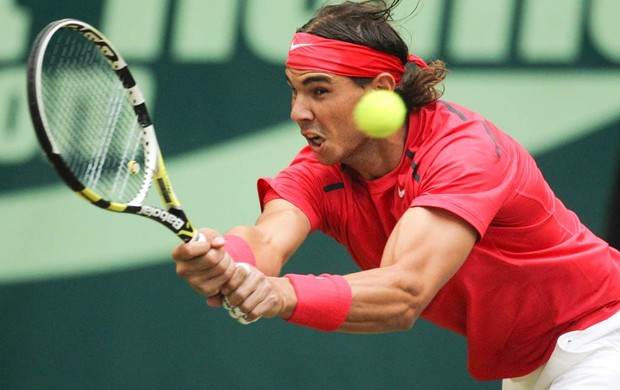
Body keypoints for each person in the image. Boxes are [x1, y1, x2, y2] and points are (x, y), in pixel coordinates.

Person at [171, 0, 620, 387]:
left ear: (381, 90)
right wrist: (226, 261)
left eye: (319, 91)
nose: (297, 112)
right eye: (294, 91)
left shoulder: (465, 154)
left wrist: (281, 295)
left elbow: (404, 292)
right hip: (531, 367)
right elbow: (267, 240)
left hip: (603, 338)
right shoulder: (323, 170)